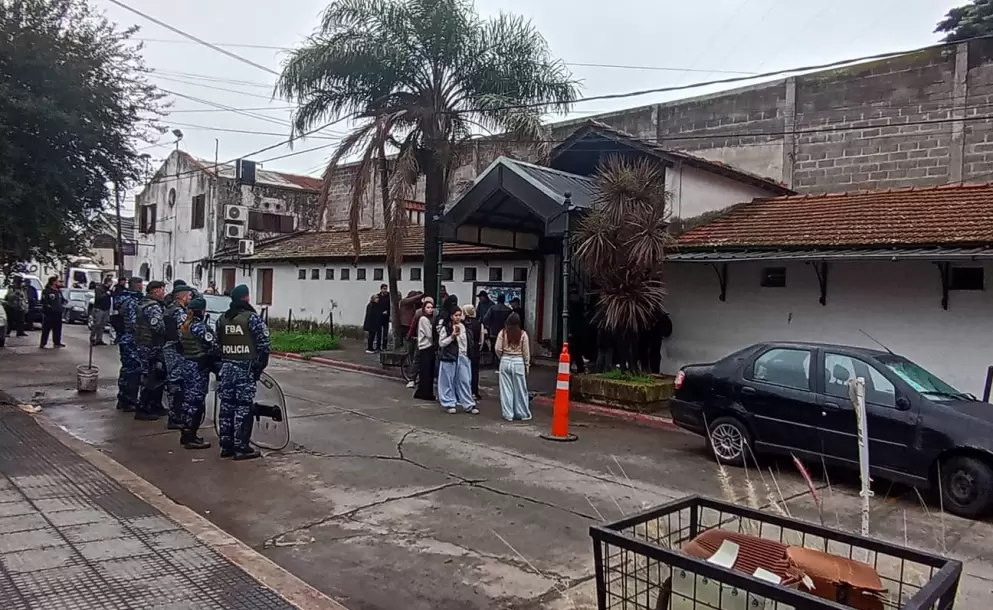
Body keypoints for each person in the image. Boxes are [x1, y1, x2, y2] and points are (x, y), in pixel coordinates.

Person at [216, 284, 271, 460]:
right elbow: (264, 346)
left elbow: (217, 345)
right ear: (245, 298)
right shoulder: (251, 318)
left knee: (226, 407)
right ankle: (241, 447)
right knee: (243, 408)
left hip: (226, 369)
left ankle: (226, 446)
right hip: (245, 370)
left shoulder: (223, 319)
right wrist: (258, 368)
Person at [176, 297, 215, 450]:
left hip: (187, 365)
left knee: (187, 401)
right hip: (199, 368)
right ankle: (190, 437)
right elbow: (213, 346)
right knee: (196, 402)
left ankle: (186, 434)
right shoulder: (201, 328)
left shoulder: (184, 326)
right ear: (202, 310)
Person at [135, 280, 168, 421]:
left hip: (147, 344)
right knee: (149, 377)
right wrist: (169, 328)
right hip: (150, 345)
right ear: (156, 291)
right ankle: (143, 408)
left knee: (157, 376)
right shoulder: (152, 306)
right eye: (162, 290)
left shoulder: (143, 303)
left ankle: (155, 405)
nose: (164, 293)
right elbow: (158, 327)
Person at [163, 285, 194, 429]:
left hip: (169, 348)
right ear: (183, 296)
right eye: (189, 296)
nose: (190, 299)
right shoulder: (179, 312)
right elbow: (183, 333)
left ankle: (175, 415)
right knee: (177, 384)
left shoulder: (170, 308)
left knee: (174, 382)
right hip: (176, 350)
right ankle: (175, 417)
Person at [436, 307, 477, 415]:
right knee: (448, 381)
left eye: (459, 315)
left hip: (463, 356)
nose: (458, 317)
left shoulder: (465, 327)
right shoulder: (447, 328)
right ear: (451, 316)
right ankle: (449, 403)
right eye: (456, 315)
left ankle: (468, 404)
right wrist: (452, 337)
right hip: (450, 356)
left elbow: (468, 342)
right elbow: (441, 343)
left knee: (465, 380)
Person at [495, 312, 532, 422]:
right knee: (520, 389)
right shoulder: (523, 334)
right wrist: (527, 365)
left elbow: (497, 348)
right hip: (518, 362)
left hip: (505, 360)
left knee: (506, 389)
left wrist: (502, 357)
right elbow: (526, 353)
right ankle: (522, 413)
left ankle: (508, 414)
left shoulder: (503, 333)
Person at [412, 299, 436, 401]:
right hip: (426, 347)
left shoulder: (428, 319)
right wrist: (434, 341)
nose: (430, 310)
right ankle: (425, 392)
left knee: (427, 371)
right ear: (424, 309)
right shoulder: (424, 319)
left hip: (427, 347)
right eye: (428, 307)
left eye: (431, 307)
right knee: (426, 371)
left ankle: (424, 391)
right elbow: (429, 334)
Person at [461, 304, 485, 400]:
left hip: (465, 348)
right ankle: (474, 391)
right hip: (475, 348)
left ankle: (464, 391)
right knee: (475, 371)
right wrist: (479, 347)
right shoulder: (479, 324)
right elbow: (481, 339)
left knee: (464, 371)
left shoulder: (463, 323)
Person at [39, 276, 66, 348]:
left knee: (57, 328)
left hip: (58, 313)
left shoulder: (58, 291)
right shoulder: (46, 291)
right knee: (46, 329)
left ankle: (57, 342)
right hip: (49, 313)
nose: (58, 283)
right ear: (53, 282)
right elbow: (44, 301)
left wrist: (62, 305)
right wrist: (49, 308)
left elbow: (62, 300)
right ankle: (43, 343)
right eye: (57, 281)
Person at [567, 287, 587, 374]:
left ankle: (575, 366)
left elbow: (573, 320)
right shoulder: (579, 303)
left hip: (575, 332)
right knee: (576, 351)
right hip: (579, 331)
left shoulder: (573, 306)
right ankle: (580, 367)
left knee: (573, 350)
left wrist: (570, 331)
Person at [91, 276, 113, 346]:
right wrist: (106, 294)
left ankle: (99, 339)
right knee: (97, 324)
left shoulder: (109, 289)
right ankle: (92, 338)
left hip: (106, 309)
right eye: (110, 282)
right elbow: (98, 298)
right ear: (107, 282)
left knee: (102, 325)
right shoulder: (99, 288)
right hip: (99, 308)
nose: (111, 284)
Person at [377, 283, 391, 351]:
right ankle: (378, 346)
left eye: (386, 289)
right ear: (381, 289)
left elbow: (390, 306)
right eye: (384, 289)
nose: (385, 290)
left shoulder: (389, 297)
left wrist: (388, 312)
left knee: (385, 332)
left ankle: (384, 346)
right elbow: (376, 306)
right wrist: (380, 312)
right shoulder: (378, 296)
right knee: (379, 332)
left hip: (386, 317)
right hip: (379, 317)